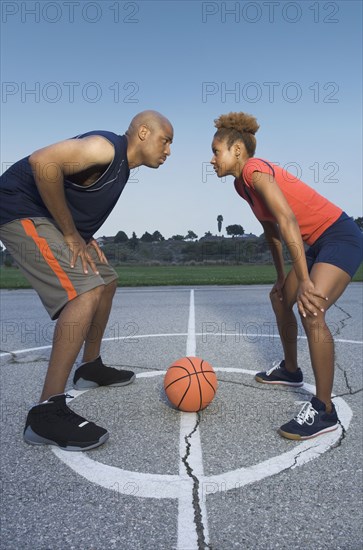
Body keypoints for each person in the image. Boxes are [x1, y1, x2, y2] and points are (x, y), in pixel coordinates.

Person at [0, 110, 173, 451]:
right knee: (85, 293)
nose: (168, 151)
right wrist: (69, 233)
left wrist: (79, 234)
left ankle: (90, 367)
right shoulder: (104, 148)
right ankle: (46, 412)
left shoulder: (122, 168)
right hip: (19, 208)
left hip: (48, 215)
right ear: (142, 132)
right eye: (165, 141)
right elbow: (43, 162)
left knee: (106, 281)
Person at [210, 111, 362, 440]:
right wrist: (283, 278)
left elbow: (288, 219)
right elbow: (273, 231)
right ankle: (291, 370)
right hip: (316, 243)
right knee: (280, 299)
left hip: (340, 237)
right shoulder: (241, 185)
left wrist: (305, 281)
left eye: (215, 150)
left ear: (237, 150)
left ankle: (324, 410)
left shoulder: (254, 169)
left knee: (311, 308)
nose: (212, 159)